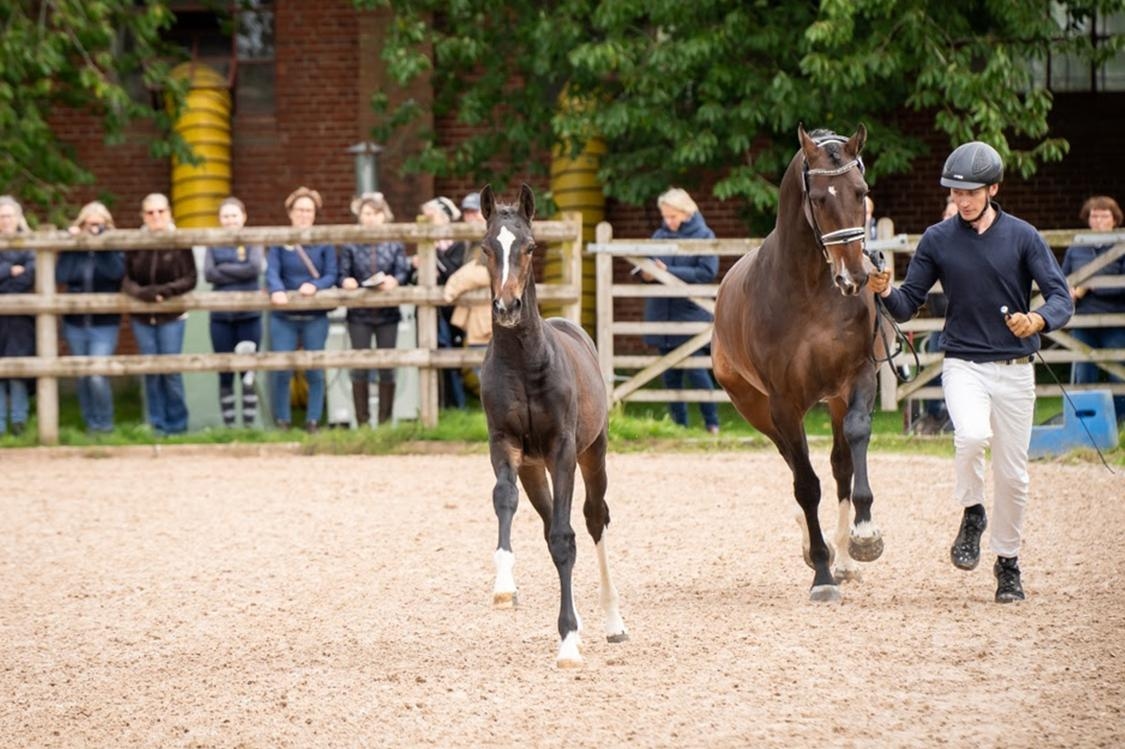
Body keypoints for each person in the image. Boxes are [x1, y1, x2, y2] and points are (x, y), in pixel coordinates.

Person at [867, 141, 1073, 604]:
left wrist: (1037, 320)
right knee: (971, 437)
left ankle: (1008, 564)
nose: (961, 202)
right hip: (963, 364)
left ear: (993, 189)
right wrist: (884, 291)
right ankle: (973, 511)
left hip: (1015, 369)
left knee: (1014, 477)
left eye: (970, 193)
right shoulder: (937, 239)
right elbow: (906, 303)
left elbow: (1061, 297)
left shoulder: (1023, 236)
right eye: (955, 193)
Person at [640, 187, 720, 434]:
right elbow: (651, 265)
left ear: (686, 213)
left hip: (690, 312)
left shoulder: (705, 236)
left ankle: (712, 422)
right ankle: (679, 425)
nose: (668, 221)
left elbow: (707, 272)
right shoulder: (659, 235)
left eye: (672, 216)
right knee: (670, 374)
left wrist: (669, 273)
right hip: (662, 311)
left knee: (697, 369)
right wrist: (648, 273)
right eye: (665, 217)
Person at [122, 193, 197, 435]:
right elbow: (125, 279)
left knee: (171, 371)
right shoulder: (135, 242)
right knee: (151, 371)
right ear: (143, 216)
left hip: (172, 315)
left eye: (160, 212)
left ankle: (178, 425)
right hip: (142, 316)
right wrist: (144, 294)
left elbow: (190, 278)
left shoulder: (179, 241)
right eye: (150, 213)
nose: (156, 217)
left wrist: (165, 292)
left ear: (169, 213)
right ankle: (157, 424)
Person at [266, 186, 337, 432]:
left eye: (309, 210)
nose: (304, 215)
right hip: (283, 316)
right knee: (282, 369)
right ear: (290, 212)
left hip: (315, 315)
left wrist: (315, 286)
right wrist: (276, 290)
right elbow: (272, 270)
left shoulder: (324, 242)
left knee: (315, 370)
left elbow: (331, 274)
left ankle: (313, 420)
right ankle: (283, 421)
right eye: (300, 210)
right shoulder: (280, 241)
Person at [338, 191, 411, 426]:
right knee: (360, 367)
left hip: (388, 313)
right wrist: (346, 281)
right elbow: (343, 272)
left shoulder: (395, 242)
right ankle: (362, 420)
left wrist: (395, 280)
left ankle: (385, 420)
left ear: (383, 216)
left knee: (386, 367)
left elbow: (402, 270)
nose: (370, 218)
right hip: (358, 314)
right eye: (366, 213)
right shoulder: (350, 243)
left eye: (375, 213)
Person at [57, 201, 126, 433]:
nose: (94, 228)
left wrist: (103, 245)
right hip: (75, 322)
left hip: (104, 323)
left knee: (97, 374)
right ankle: (90, 425)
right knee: (83, 376)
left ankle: (105, 425)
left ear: (107, 225)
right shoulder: (75, 251)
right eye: (90, 224)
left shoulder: (114, 248)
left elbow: (116, 274)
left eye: (99, 224)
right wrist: (72, 244)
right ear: (82, 225)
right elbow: (62, 274)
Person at [1060, 195, 1125, 423]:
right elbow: (1063, 277)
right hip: (1083, 320)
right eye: (1094, 216)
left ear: (1115, 219)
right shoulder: (1077, 246)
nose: (1098, 221)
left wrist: (1090, 285)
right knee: (1083, 373)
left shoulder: (1122, 245)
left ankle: (1120, 423)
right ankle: (1084, 424)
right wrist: (1069, 290)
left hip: (1114, 321)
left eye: (1104, 216)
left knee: (1118, 373)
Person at [204, 197, 264, 428]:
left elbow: (254, 268)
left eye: (234, 215)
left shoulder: (253, 240)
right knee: (225, 372)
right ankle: (229, 428)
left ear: (244, 217)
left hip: (249, 315)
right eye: (225, 216)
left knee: (248, 373)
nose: (230, 220)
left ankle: (249, 427)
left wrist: (224, 269)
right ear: (220, 219)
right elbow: (209, 273)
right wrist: (239, 270)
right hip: (220, 316)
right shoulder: (212, 242)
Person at [420, 196, 468, 409]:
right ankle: (442, 404)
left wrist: (434, 257)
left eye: (431, 216)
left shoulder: (459, 243)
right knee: (438, 350)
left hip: (454, 305)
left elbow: (453, 271)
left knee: (454, 355)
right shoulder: (426, 243)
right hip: (435, 307)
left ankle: (459, 404)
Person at [0, 196, 35, 436]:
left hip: (21, 319)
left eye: (8, 215)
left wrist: (7, 284)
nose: (4, 221)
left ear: (17, 218)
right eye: (1, 217)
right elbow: (19, 274)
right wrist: (8, 271)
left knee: (18, 371)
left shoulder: (29, 244)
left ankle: (19, 422)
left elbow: (31, 274)